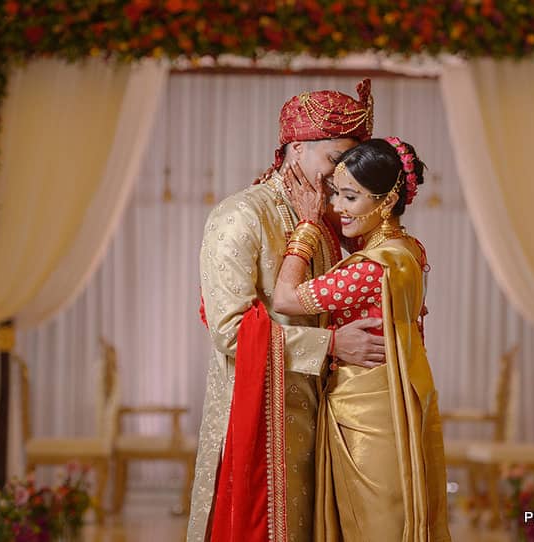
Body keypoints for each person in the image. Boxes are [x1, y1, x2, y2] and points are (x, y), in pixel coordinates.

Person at [188, 80, 387, 542]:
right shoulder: (241, 216)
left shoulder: (333, 220)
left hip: (326, 419)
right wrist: (333, 344)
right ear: (296, 150)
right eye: (337, 161)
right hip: (259, 423)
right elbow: (230, 331)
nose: (345, 177)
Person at [273, 137, 451, 541]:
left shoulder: (371, 268)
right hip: (399, 408)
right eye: (336, 194)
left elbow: (285, 298)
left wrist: (305, 230)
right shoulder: (409, 250)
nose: (336, 207)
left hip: (364, 421)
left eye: (350, 197)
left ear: (385, 201)